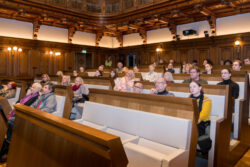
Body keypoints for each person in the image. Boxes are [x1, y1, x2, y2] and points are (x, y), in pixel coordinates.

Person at [0, 83, 42, 162]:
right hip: (17, 110)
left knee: (8, 122)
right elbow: (20, 100)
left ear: (37, 89)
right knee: (6, 120)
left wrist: (19, 105)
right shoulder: (29, 95)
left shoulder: (36, 97)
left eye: (33, 87)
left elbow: (27, 106)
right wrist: (17, 104)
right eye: (31, 87)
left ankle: (10, 141)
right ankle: (9, 141)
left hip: (23, 114)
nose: (31, 88)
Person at [189, 81, 212, 155]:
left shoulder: (207, 100)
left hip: (201, 124)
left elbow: (203, 116)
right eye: (190, 87)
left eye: (194, 86)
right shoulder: (188, 99)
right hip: (190, 122)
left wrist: (191, 123)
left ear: (200, 88)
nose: (192, 88)